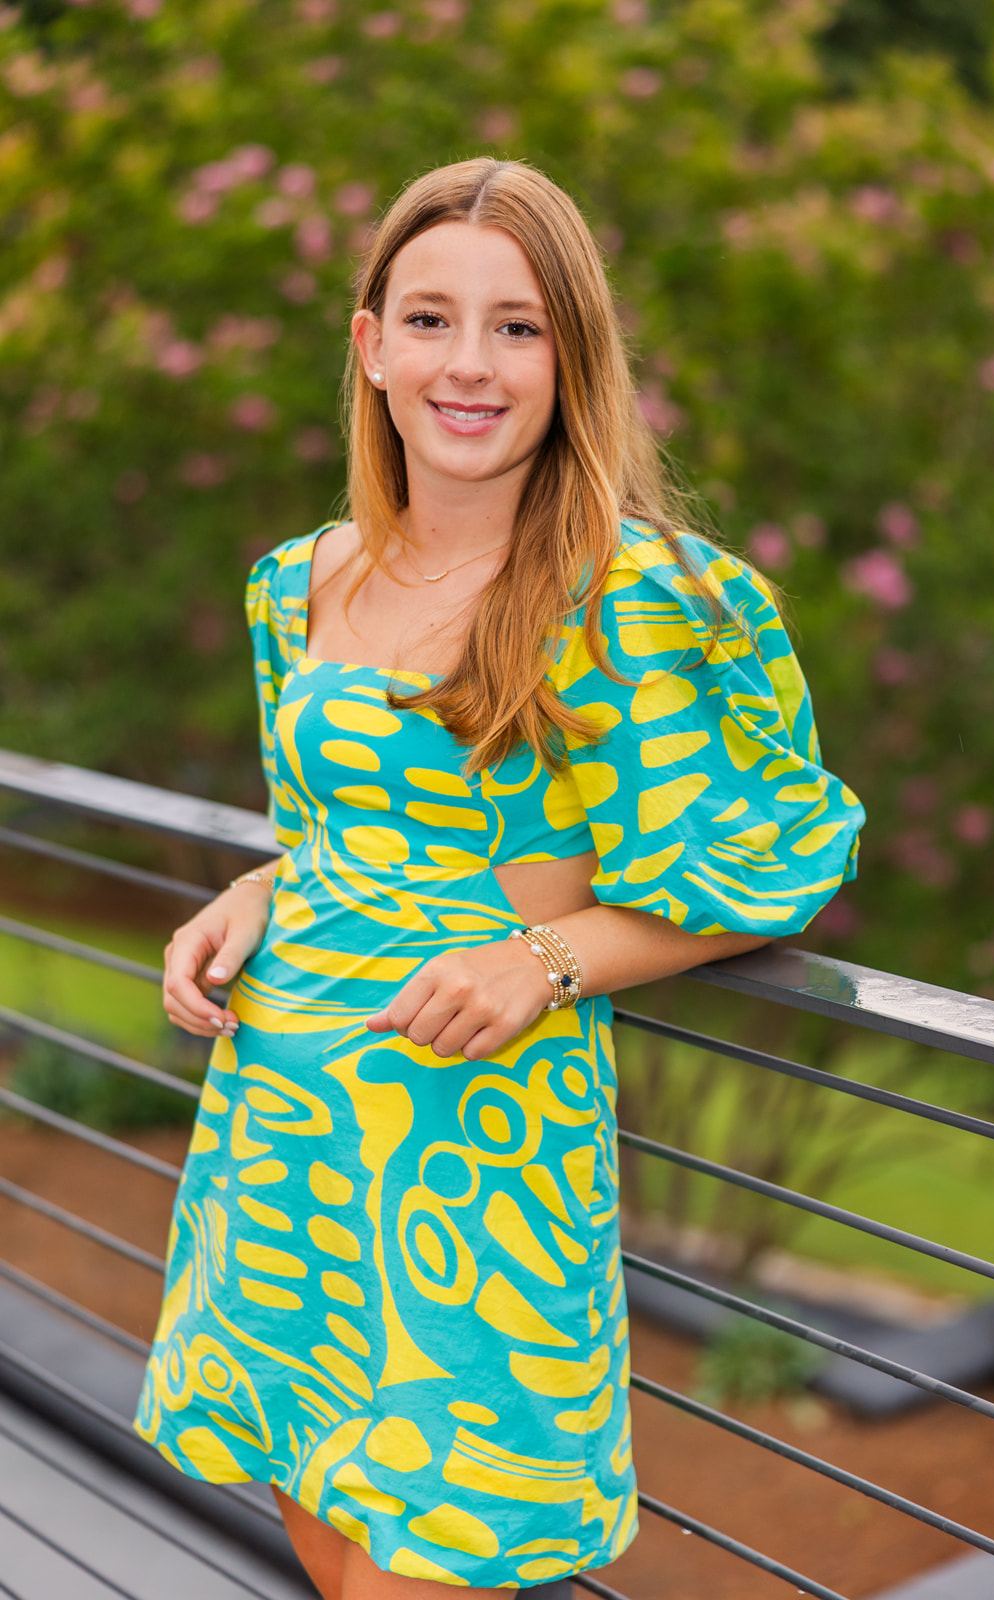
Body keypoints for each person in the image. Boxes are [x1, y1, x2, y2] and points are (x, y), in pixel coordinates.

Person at [141, 157, 864, 1599]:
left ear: (570, 359)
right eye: (431, 319)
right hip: (284, 1152)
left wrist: (544, 963)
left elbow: (770, 872)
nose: (469, 364)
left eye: (518, 327)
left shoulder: (643, 598)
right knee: (322, 1547)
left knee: (442, 1561)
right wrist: (257, 893)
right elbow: (344, 826)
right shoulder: (301, 584)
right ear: (370, 346)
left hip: (476, 1184)